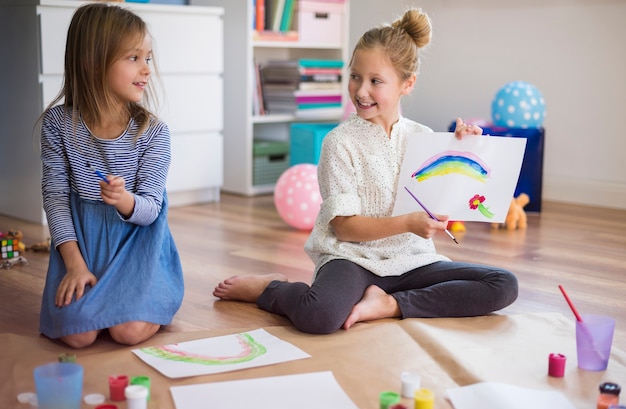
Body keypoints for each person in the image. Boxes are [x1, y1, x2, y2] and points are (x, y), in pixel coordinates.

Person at [213, 8, 518, 334]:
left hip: (412, 259)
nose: (360, 91)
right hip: (352, 259)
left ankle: (392, 304)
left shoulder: (425, 139)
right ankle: (271, 288)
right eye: (355, 76)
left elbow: (451, 201)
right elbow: (344, 229)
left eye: (375, 81)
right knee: (319, 316)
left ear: (407, 83)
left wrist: (464, 148)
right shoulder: (339, 142)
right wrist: (408, 223)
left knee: (504, 284)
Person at [38, 3, 184, 348]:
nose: (147, 69)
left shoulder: (153, 132)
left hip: (137, 248)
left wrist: (124, 200)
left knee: (127, 332)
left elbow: (149, 210)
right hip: (84, 249)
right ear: (92, 62)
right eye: (134, 58)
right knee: (77, 335)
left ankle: (152, 295)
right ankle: (98, 297)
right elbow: (56, 200)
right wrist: (74, 266)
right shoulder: (58, 125)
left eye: (148, 58)